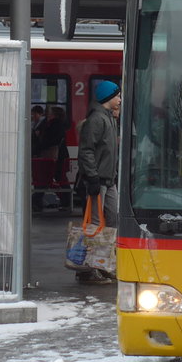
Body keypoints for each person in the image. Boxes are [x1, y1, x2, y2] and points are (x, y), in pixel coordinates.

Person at [76, 80, 121, 283]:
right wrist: (92, 176)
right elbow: (86, 150)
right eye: (117, 96)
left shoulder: (108, 118)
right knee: (95, 224)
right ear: (108, 98)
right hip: (98, 179)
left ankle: (102, 264)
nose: (120, 100)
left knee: (112, 220)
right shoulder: (97, 119)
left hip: (108, 180)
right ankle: (87, 269)